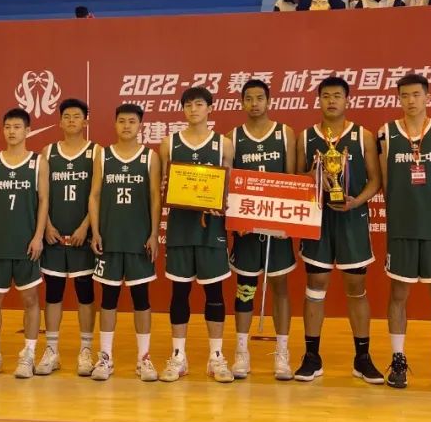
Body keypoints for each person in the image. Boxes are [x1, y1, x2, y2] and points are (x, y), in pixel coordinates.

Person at [295, 77, 384, 385]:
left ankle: (362, 357)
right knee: (315, 284)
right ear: (318, 100)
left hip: (352, 218)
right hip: (317, 219)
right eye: (325, 96)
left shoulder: (363, 135)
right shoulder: (306, 137)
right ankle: (311, 356)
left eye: (337, 95)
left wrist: (356, 201)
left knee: (356, 286)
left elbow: (376, 180)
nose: (331, 100)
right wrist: (311, 176)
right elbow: (296, 177)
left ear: (347, 100)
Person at [379, 73, 431, 390]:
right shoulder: (386, 133)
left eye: (416, 94)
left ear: (428, 97)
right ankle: (398, 358)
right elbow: (385, 181)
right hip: (402, 227)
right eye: (405, 95)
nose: (410, 100)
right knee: (398, 293)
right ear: (398, 98)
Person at [158, 86, 235, 383]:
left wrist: (220, 201)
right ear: (183, 109)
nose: (193, 109)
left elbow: (228, 186)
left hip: (211, 230)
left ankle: (216, 357)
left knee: (214, 293)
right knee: (179, 293)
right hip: (180, 228)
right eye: (188, 105)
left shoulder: (223, 144)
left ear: (210, 108)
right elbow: (162, 185)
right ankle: (178, 356)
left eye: (199, 104)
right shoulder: (169, 143)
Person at [228, 79, 298, 380]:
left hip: (277, 224)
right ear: (241, 102)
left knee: (280, 287)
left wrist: (287, 221)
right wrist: (236, 220)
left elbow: (292, 179)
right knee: (245, 288)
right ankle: (241, 352)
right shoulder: (233, 137)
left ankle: (282, 352)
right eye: (249, 98)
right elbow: (229, 182)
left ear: (269, 101)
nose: (254, 103)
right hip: (247, 225)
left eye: (259, 98)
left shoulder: (284, 133)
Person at [88, 103, 162, 381]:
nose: (127, 125)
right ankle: (105, 358)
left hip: (138, 240)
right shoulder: (104, 155)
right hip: (110, 238)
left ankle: (144, 358)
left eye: (132, 121)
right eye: (122, 121)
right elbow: (94, 195)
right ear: (115, 124)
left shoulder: (150, 157)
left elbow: (155, 197)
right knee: (108, 300)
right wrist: (95, 230)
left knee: (141, 299)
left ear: (140, 125)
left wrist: (153, 234)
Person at [0, 108, 47, 379]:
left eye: (17, 127)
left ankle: (28, 354)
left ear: (27, 131)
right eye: (7, 127)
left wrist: (38, 236)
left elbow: (44, 201)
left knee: (30, 299)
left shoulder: (38, 162)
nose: (12, 131)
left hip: (26, 244)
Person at [36, 98, 98, 377]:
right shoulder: (48, 152)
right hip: (54, 236)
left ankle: (86, 350)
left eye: (77, 116)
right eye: (67, 116)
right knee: (53, 293)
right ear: (60, 122)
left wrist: (86, 226)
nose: (72, 120)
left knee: (85, 293)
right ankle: (52, 350)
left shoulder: (96, 152)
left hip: (82, 236)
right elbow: (42, 194)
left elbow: (97, 195)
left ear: (86, 121)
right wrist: (46, 226)